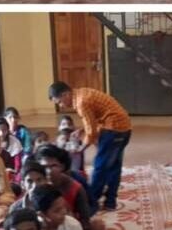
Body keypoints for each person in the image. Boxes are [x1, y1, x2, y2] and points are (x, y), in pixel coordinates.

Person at [48, 81, 132, 210]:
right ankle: (110, 202)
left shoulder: (81, 102)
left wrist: (81, 148)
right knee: (114, 166)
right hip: (124, 128)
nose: (61, 106)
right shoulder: (82, 93)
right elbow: (95, 119)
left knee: (100, 167)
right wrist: (82, 130)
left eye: (59, 102)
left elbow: (92, 132)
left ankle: (91, 203)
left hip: (114, 130)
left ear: (65, 94)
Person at [34, 144, 94, 229]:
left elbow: (85, 219)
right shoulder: (35, 186)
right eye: (44, 167)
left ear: (62, 166)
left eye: (53, 166)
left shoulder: (75, 188)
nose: (48, 171)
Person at [0, 116, 24, 180]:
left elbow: (17, 164)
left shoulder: (14, 142)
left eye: (4, 130)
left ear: (8, 129)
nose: (1, 133)